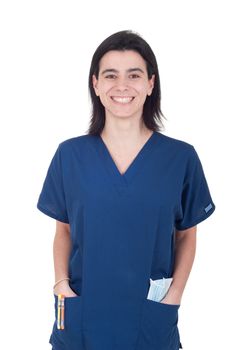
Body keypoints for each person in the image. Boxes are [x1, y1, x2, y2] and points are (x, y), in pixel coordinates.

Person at [37, 29, 216, 350]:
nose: (122, 86)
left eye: (134, 75)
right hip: (82, 314)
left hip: (149, 317)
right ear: (95, 84)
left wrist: (174, 295)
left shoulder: (180, 158)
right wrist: (61, 284)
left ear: (150, 84)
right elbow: (63, 230)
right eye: (110, 75)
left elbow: (187, 234)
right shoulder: (70, 155)